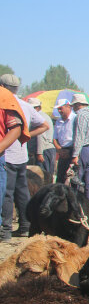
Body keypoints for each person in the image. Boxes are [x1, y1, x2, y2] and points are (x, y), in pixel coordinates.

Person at [1, 74, 47, 239]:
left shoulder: (6, 103)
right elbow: (45, 125)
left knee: (7, 192)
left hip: (7, 154)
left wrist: (20, 135)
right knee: (22, 191)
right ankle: (26, 226)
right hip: (21, 155)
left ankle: (5, 230)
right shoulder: (26, 106)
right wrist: (25, 136)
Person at [0, 87, 29, 241]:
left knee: (9, 193)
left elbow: (16, 129)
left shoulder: (4, 97)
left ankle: (5, 230)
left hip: (5, 157)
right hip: (16, 158)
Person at [69, 94, 89, 204]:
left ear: (77, 105)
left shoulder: (81, 116)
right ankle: (88, 203)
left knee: (76, 178)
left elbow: (79, 136)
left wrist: (75, 155)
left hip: (84, 150)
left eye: (73, 106)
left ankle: (75, 203)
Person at [26, 98, 56, 177]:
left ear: (38, 108)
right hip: (46, 149)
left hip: (43, 150)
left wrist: (39, 153)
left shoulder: (38, 117)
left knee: (42, 176)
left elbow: (40, 135)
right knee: (47, 175)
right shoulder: (43, 116)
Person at [53, 98, 75, 183]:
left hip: (73, 150)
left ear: (68, 107)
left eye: (60, 108)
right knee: (60, 177)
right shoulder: (58, 121)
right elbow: (54, 138)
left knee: (73, 178)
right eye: (58, 109)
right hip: (62, 151)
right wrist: (60, 150)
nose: (59, 111)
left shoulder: (75, 119)